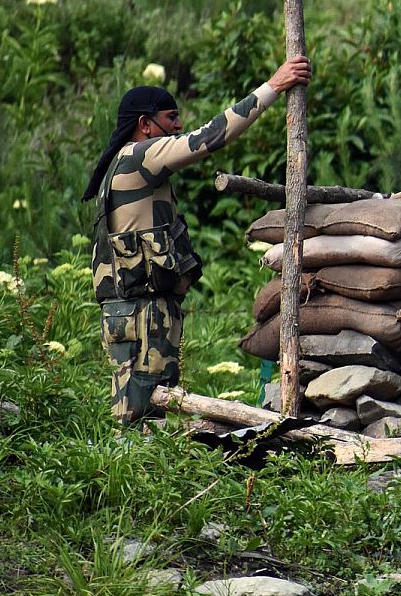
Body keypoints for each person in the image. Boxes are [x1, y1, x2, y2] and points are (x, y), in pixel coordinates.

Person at [82, 56, 313, 425]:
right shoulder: (140, 155)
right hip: (144, 313)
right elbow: (209, 137)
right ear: (145, 124)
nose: (178, 125)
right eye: (171, 118)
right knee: (143, 416)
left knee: (139, 409)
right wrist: (274, 86)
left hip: (136, 311)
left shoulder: (122, 164)